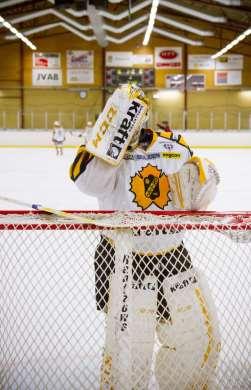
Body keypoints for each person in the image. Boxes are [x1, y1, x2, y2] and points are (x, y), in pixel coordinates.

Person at [69, 84, 220, 390]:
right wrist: (113, 137)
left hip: (173, 258)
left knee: (191, 339)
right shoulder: (102, 154)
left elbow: (196, 198)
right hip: (122, 259)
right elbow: (89, 183)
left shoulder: (175, 147)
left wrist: (205, 181)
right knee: (129, 351)